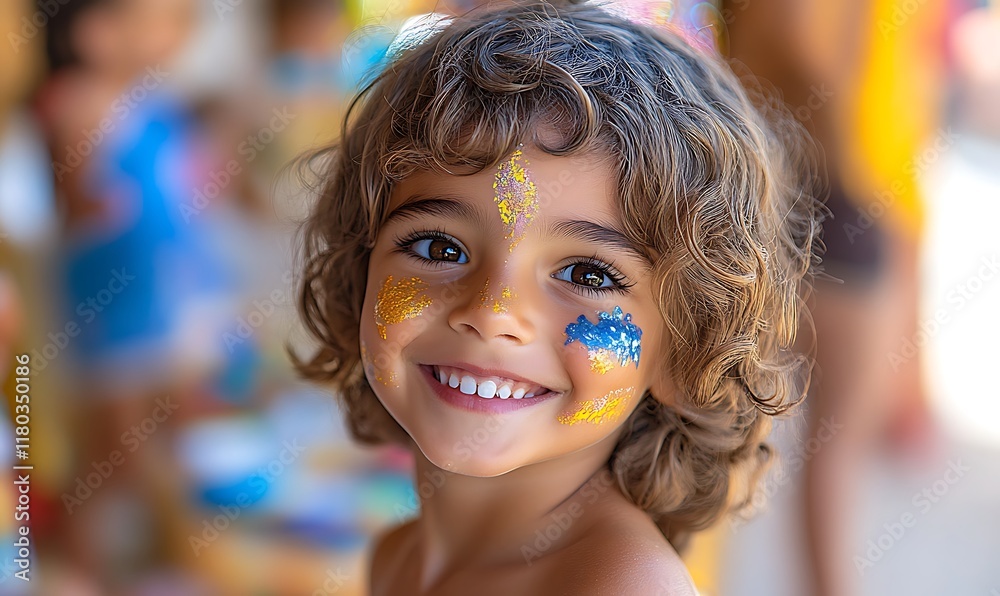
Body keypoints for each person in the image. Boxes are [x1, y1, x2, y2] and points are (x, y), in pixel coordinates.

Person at [294, 2, 820, 593]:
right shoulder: (398, 558)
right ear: (360, 268)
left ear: (683, 347)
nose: (492, 313)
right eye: (440, 248)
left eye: (588, 276)